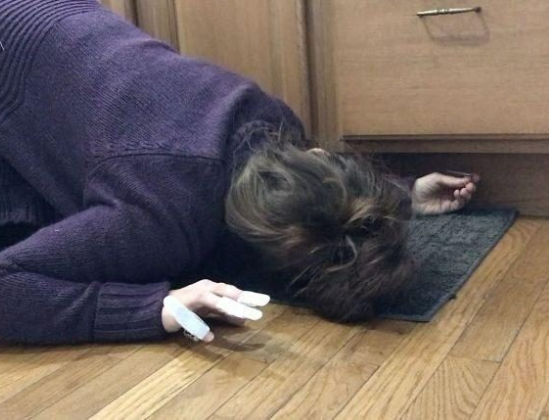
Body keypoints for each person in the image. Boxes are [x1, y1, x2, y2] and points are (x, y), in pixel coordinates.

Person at [0, 0, 478, 344]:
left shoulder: (277, 125)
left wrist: (405, 193)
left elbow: (325, 193)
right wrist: (155, 310)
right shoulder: (159, 219)